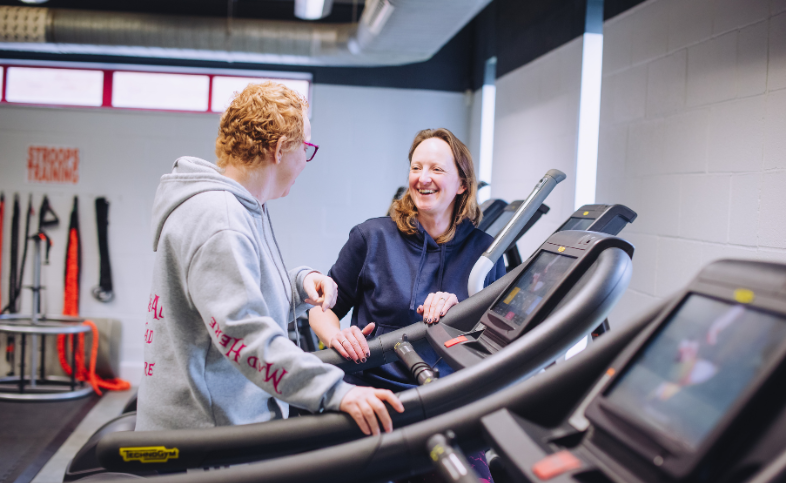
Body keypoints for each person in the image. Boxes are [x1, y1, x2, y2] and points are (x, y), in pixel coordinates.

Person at [136, 82, 403, 437]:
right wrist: (338, 392)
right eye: (305, 148)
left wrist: (298, 284)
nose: (305, 162)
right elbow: (245, 335)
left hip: (214, 420)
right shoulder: (221, 220)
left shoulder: (236, 209)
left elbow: (232, 295)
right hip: (205, 437)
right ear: (280, 149)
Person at [309, 128, 505, 482]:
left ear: (462, 184)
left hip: (444, 403)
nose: (423, 178)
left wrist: (461, 312)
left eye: (437, 170)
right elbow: (321, 309)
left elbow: (495, 343)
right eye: (417, 168)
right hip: (371, 395)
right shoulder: (371, 237)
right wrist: (337, 337)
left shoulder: (485, 254)